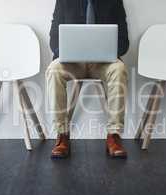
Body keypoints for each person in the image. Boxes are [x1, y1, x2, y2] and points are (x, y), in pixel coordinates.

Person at [46, 0, 130, 158]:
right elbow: (54, 37)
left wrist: (110, 50)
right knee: (54, 70)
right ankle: (62, 135)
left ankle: (114, 135)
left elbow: (124, 41)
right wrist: (63, 51)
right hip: (73, 62)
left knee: (119, 69)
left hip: (103, 63)